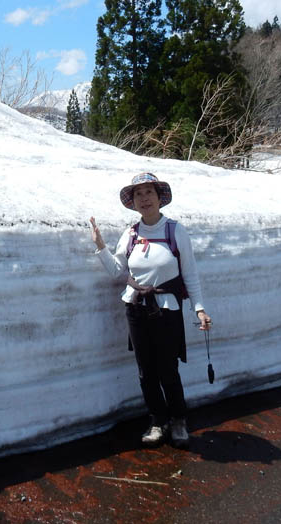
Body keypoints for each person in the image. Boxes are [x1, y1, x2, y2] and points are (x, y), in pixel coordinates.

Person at [89, 172, 212, 448]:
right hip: (136, 308)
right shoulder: (131, 233)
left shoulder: (174, 231)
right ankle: (158, 420)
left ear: (159, 198)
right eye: (138, 195)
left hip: (167, 310)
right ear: (132, 202)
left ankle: (178, 421)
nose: (144, 199)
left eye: (148, 193)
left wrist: (199, 309)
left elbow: (190, 274)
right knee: (146, 371)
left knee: (167, 369)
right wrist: (100, 245)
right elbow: (117, 271)